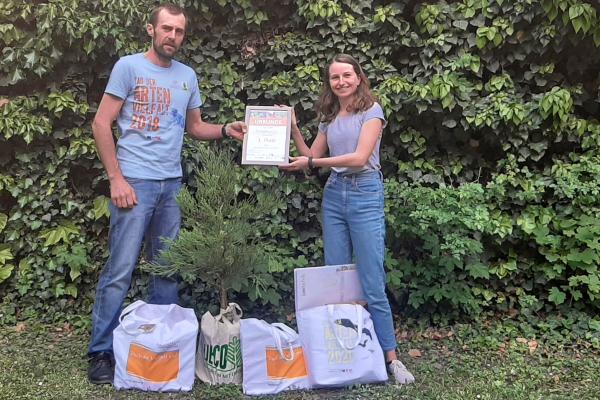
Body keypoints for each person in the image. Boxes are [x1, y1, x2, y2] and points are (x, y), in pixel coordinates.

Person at [87, 3, 246, 384]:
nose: (173, 36)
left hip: (171, 185)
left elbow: (195, 127)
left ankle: (163, 347)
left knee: (167, 272)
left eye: (179, 31)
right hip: (134, 183)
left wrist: (226, 129)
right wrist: (116, 179)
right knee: (119, 271)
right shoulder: (128, 67)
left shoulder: (187, 76)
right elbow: (101, 123)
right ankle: (100, 352)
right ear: (151, 30)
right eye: (167, 29)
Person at [281, 54, 415, 384]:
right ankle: (342, 355)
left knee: (371, 279)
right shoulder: (330, 116)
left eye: (346, 76)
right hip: (335, 193)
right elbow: (312, 155)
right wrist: (295, 128)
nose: (340, 82)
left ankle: (392, 358)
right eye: (334, 78)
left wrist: (312, 164)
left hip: (365, 193)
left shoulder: (372, 111)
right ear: (330, 83)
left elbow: (358, 158)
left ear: (358, 77)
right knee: (335, 277)